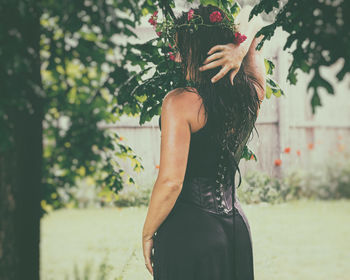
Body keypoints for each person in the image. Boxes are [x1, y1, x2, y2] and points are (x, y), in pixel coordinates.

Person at [142, 4, 266, 280]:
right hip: (235, 231)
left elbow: (171, 182)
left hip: (189, 235)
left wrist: (148, 232)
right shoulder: (252, 96)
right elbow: (255, 38)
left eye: (181, 49)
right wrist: (241, 49)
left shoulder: (179, 103)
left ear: (198, 51)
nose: (176, 58)